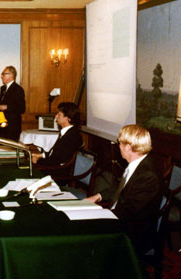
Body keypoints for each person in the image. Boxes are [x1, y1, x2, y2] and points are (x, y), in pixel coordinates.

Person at [85, 125, 163, 255]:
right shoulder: (136, 164)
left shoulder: (148, 176)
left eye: (119, 143)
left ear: (128, 147)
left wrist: (100, 216)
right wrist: (97, 196)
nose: (118, 146)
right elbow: (120, 187)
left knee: (84, 236)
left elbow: (129, 212)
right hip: (121, 219)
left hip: (134, 233)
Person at [32, 102, 83, 172]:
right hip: (55, 168)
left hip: (59, 174)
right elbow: (54, 153)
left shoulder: (71, 137)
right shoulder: (68, 132)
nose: (56, 116)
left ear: (68, 118)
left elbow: (55, 160)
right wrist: (40, 155)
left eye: (59, 114)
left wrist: (37, 161)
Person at [0, 66, 25, 141]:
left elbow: (22, 108)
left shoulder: (18, 89)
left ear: (11, 75)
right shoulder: (3, 88)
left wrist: (7, 107)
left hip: (12, 128)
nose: (1, 76)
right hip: (1, 126)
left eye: (4, 74)